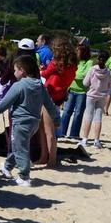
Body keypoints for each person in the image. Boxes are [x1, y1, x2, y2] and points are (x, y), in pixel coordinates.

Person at [0, 55, 61, 187]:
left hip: (20, 123)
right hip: (34, 124)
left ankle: (24, 176)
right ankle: (7, 166)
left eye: (15, 70)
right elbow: (49, 104)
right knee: (19, 146)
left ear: (22, 70)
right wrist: (56, 118)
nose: (14, 73)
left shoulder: (19, 86)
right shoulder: (40, 86)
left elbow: (5, 102)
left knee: (21, 149)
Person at [39, 38, 77, 166]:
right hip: (59, 96)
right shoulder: (72, 66)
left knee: (48, 130)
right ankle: (46, 157)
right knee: (45, 129)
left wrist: (40, 70)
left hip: (50, 95)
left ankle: (50, 159)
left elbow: (44, 74)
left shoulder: (56, 63)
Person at [79, 50, 111, 149]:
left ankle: (85, 140)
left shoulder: (92, 69)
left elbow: (85, 83)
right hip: (102, 96)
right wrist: (106, 92)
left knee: (88, 116)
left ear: (98, 58)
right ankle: (96, 141)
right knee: (98, 117)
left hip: (91, 95)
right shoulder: (109, 71)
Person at [58, 42, 93, 138]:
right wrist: (75, 75)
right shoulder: (73, 61)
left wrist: (74, 75)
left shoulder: (89, 62)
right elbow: (70, 73)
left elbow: (84, 75)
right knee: (66, 112)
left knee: (78, 114)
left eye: (78, 50)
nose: (76, 52)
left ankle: (74, 134)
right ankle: (62, 132)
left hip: (82, 91)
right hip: (71, 90)